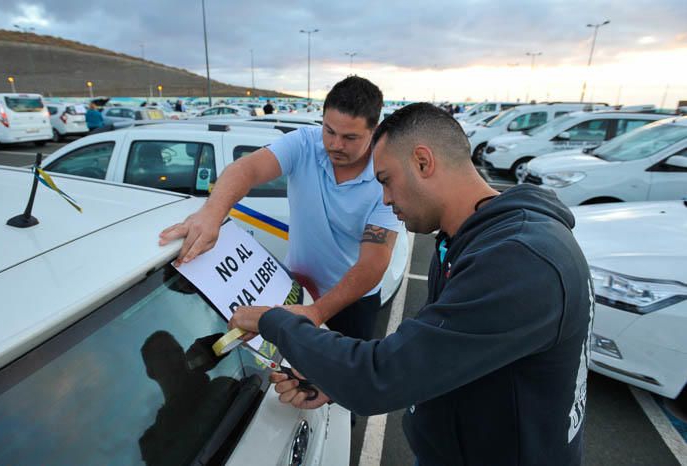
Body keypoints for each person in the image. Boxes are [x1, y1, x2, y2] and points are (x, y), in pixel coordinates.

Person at [229, 103, 593, 466]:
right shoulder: (468, 238)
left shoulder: (520, 261)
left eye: (386, 180)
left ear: (422, 162)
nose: (385, 198)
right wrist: (333, 379)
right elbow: (431, 353)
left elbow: (379, 378)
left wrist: (272, 321)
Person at [158, 76, 400, 342]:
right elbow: (246, 169)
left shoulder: (384, 176)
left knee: (342, 378)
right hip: (293, 284)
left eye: (350, 137)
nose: (335, 144)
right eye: (329, 131)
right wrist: (211, 214)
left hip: (352, 301)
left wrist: (316, 312)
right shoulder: (305, 144)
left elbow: (374, 262)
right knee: (289, 376)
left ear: (374, 130)